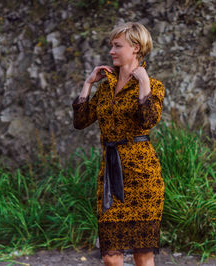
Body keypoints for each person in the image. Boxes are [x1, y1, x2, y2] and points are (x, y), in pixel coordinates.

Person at [72, 22, 165, 266]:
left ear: (135, 47)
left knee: (142, 255)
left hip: (143, 177)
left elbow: (148, 121)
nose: (111, 51)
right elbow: (80, 122)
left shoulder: (154, 85)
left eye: (117, 46)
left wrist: (143, 83)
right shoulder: (105, 88)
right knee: (111, 257)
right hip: (111, 179)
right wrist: (88, 84)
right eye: (112, 46)